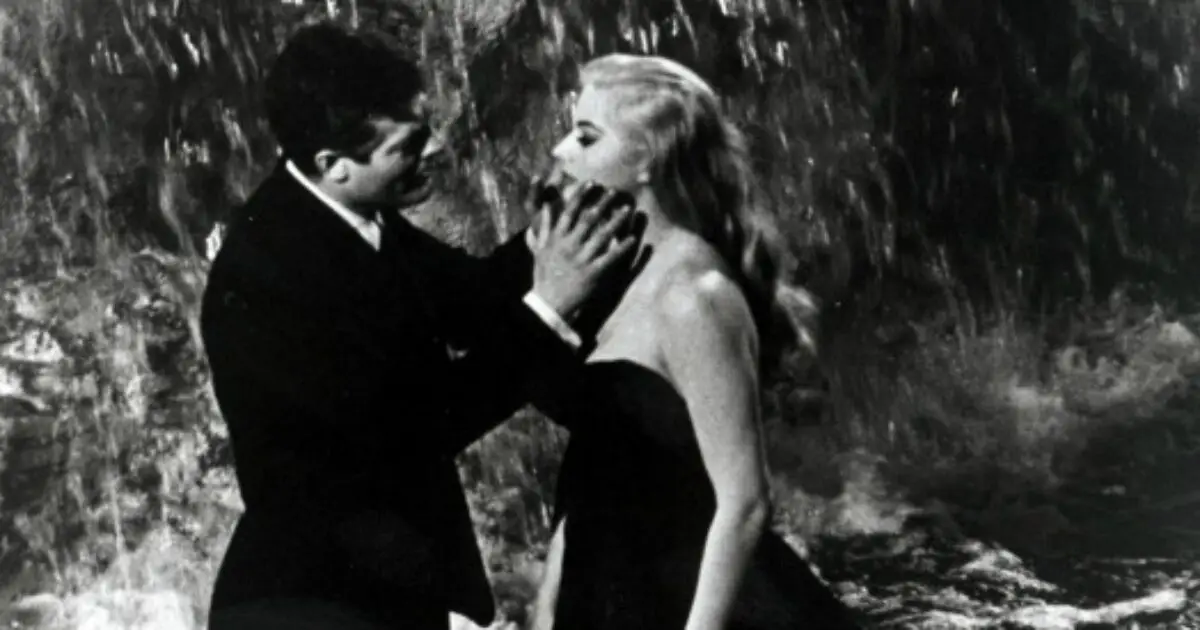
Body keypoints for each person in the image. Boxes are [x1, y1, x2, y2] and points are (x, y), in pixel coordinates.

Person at [200, 23, 641, 630]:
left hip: (379, 577)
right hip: (315, 601)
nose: (433, 149)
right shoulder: (269, 277)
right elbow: (420, 425)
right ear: (335, 165)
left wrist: (556, 225)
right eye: (407, 145)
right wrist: (550, 306)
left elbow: (471, 299)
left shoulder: (342, 211)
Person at [529, 53, 864, 630]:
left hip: (692, 604)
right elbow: (593, 466)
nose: (561, 151)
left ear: (647, 159)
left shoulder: (694, 295)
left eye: (586, 136)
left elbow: (745, 502)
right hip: (612, 588)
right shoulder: (613, 268)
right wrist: (547, 606)